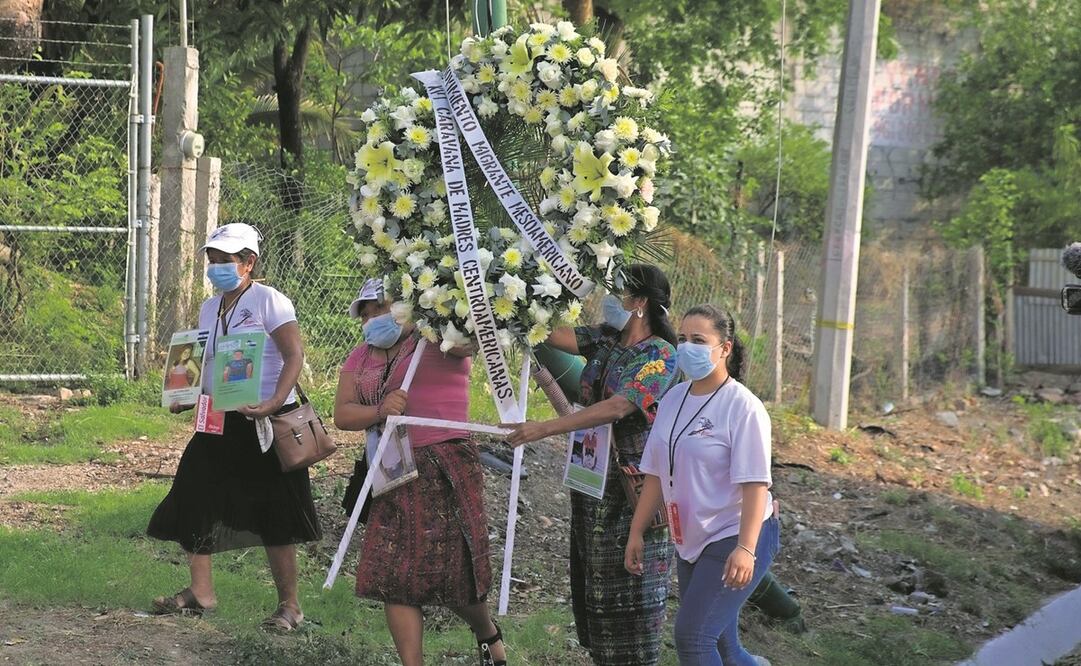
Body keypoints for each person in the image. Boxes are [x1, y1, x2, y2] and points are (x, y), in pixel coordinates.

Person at [147, 223, 320, 632]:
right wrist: (183, 394)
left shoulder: (268, 301)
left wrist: (274, 402)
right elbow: (199, 360)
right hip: (217, 417)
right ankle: (201, 593)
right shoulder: (211, 308)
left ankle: (289, 606)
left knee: (274, 511)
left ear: (249, 262)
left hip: (263, 421)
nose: (216, 268)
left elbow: (293, 355)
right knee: (192, 491)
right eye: (212, 260)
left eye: (225, 261)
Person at [505, 263, 679, 666]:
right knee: (594, 581)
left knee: (630, 584)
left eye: (619, 292)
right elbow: (553, 334)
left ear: (641, 303)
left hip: (632, 485)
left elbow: (618, 406)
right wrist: (513, 295)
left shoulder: (660, 354)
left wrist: (545, 428)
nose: (610, 299)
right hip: (591, 477)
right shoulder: (605, 340)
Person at [333, 277, 507, 666]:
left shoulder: (436, 337)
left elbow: (473, 339)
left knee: (454, 574)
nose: (375, 317)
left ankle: (487, 632)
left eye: (382, 307)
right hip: (391, 470)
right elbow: (343, 413)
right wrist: (380, 411)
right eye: (367, 312)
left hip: (445, 464)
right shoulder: (360, 357)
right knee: (393, 574)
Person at [624, 304, 779, 666]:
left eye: (698, 340)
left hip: (735, 533)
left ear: (724, 348)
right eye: (682, 338)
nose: (686, 347)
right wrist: (636, 532)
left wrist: (745, 549)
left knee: (693, 638)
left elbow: (755, 485)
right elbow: (657, 474)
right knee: (724, 646)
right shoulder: (674, 399)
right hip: (691, 536)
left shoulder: (743, 407)